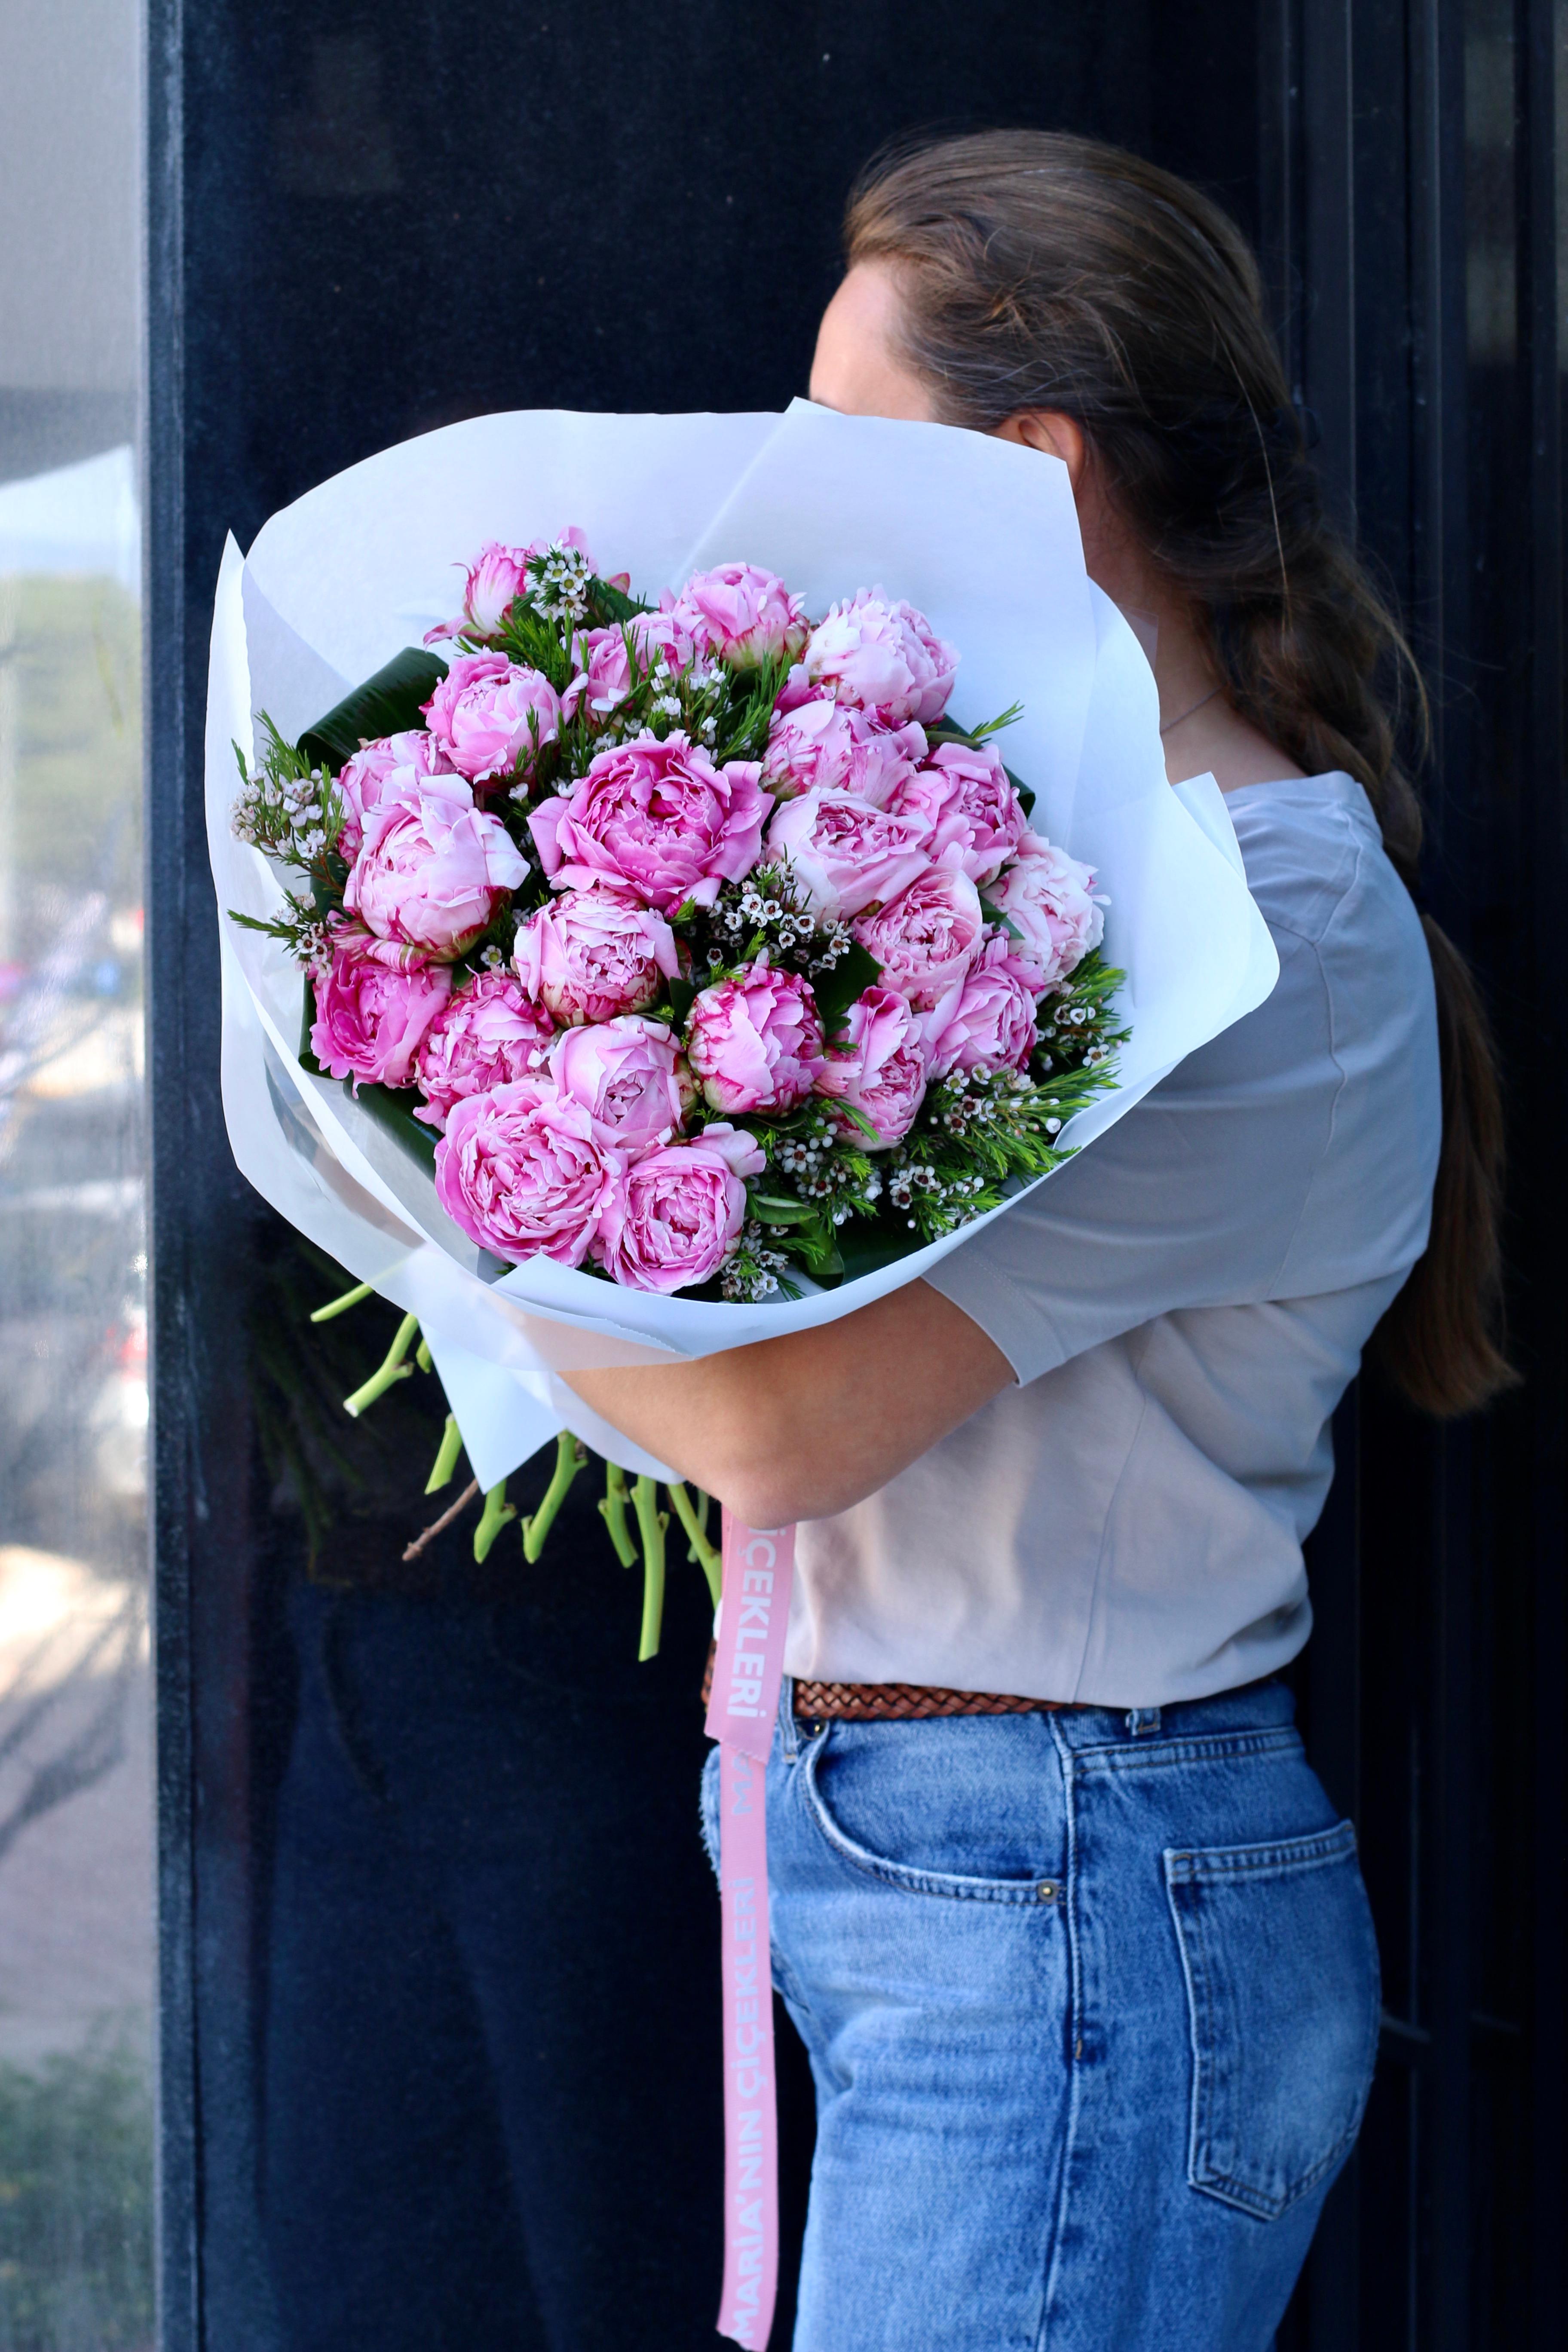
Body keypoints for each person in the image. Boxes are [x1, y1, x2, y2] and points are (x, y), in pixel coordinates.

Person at [563, 131, 1512, 2352]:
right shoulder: (1043, 843)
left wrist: (475, 1181)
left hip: (1060, 1904)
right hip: (974, 1880)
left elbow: (777, 1434)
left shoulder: (1260, 934)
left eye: (840, 433)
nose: (790, 496)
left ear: (1041, 474)